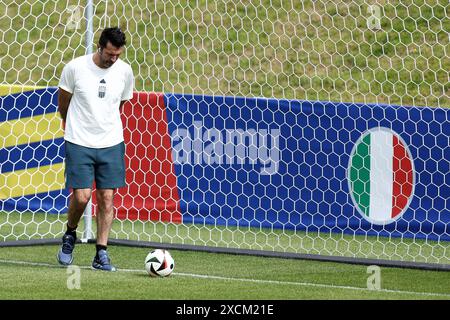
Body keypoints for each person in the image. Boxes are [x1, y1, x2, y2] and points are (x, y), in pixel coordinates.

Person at [57, 27, 134, 271]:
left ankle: (101, 253)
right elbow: (64, 102)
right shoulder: (75, 68)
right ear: (99, 47)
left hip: (111, 142)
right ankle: (70, 233)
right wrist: (73, 125)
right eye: (110, 54)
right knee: (82, 196)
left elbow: (120, 103)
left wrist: (104, 125)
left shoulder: (124, 71)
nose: (113, 59)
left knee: (107, 198)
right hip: (79, 140)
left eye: (117, 55)